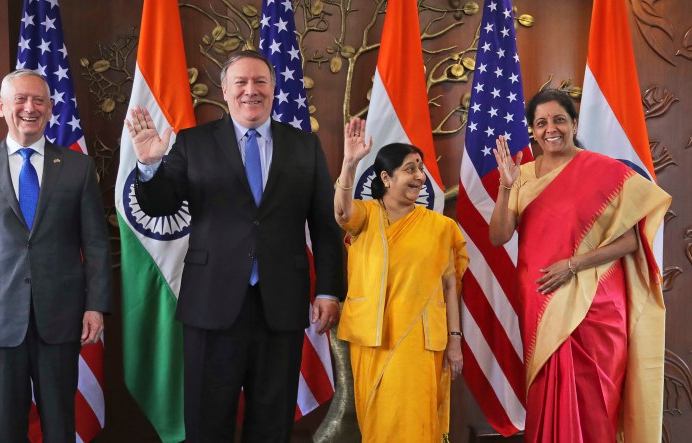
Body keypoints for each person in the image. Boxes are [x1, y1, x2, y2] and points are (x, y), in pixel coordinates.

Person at [124, 50, 343, 443]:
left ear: (274, 89)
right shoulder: (193, 143)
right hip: (211, 305)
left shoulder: (304, 146)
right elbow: (161, 207)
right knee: (208, 420)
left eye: (260, 82)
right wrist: (149, 167)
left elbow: (325, 227)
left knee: (273, 422)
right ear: (224, 91)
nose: (250, 91)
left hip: (281, 305)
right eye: (240, 82)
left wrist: (328, 290)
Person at [489, 89, 671, 442]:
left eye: (559, 119)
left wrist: (573, 265)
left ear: (574, 123)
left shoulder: (606, 171)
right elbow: (499, 237)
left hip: (597, 303)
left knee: (595, 401)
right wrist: (505, 187)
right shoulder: (521, 175)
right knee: (547, 394)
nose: (550, 129)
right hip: (541, 301)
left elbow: (633, 240)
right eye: (541, 123)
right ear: (532, 130)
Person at [0, 69, 112, 442]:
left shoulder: (77, 167)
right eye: (20, 99)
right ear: (3, 106)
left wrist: (95, 305)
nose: (30, 108)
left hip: (62, 317)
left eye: (39, 100)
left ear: (51, 108)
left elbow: (96, 243)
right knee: (7, 428)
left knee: (60, 427)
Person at [333, 118, 468, 442]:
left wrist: (455, 340)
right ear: (386, 177)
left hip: (421, 341)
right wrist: (350, 164)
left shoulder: (440, 226)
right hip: (374, 337)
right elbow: (341, 212)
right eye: (410, 169)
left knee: (417, 422)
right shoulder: (366, 215)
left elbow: (450, 286)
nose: (420, 176)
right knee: (380, 422)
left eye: (421, 169)